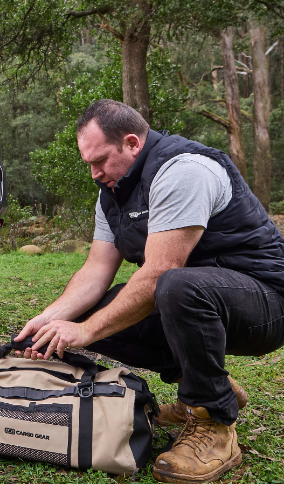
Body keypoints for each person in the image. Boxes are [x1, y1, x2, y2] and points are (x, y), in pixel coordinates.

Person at [15, 99, 284, 483]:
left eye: (101, 160)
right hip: (198, 297)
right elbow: (95, 270)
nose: (95, 173)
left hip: (267, 303)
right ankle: (212, 384)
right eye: (88, 163)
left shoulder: (183, 170)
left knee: (174, 286)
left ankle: (215, 424)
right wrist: (49, 321)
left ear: (132, 143)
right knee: (99, 309)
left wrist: (87, 331)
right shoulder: (113, 191)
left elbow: (161, 271)